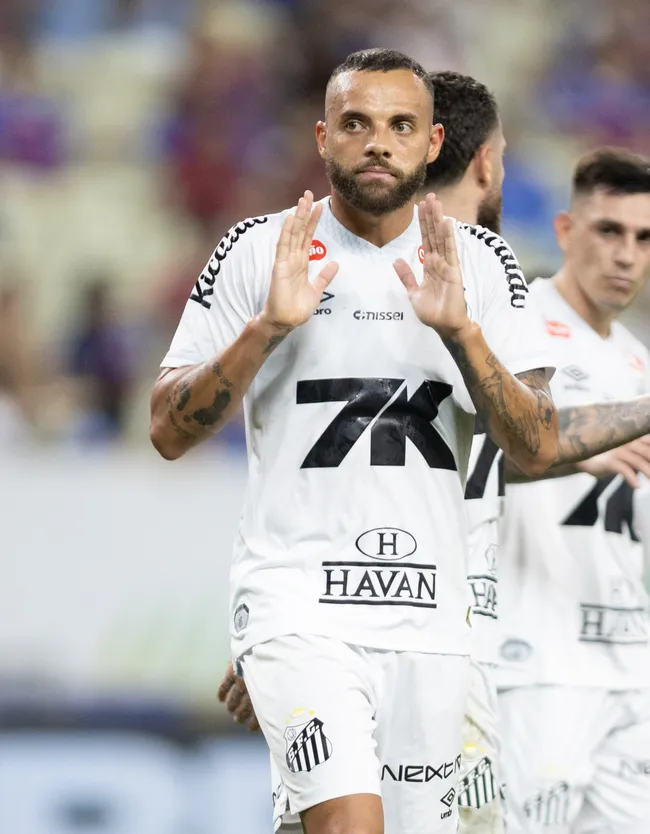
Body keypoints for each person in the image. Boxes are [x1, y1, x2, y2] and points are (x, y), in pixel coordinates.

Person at [151, 48, 559, 834]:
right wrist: (264, 331)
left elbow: (535, 447)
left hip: (431, 626)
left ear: (433, 143)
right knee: (348, 825)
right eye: (357, 124)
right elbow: (167, 429)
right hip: (297, 611)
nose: (378, 142)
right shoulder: (256, 251)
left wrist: (464, 336)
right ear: (322, 138)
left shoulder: (481, 265)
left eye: (401, 125)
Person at [497, 148, 650, 833]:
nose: (627, 255)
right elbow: (467, 460)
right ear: (564, 230)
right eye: (609, 231)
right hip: (538, 663)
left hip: (629, 669)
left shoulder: (640, 362)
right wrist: (573, 450)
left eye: (644, 239)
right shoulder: (516, 326)